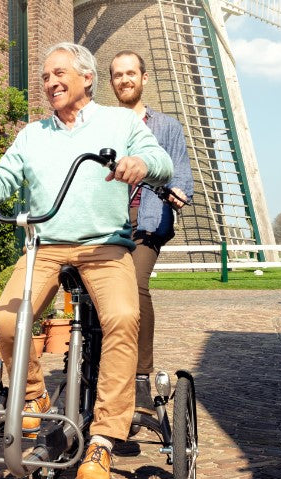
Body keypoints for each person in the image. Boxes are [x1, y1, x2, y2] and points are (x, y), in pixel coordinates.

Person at [0, 42, 173, 479]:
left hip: (105, 247)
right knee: (6, 319)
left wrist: (140, 164)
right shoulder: (33, 134)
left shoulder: (120, 122)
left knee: (122, 319)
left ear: (87, 77)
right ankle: (33, 395)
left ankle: (101, 441)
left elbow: (162, 162)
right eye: (45, 77)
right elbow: (4, 179)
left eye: (60, 73)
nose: (51, 82)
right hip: (45, 246)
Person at [109, 51, 194, 414]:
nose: (125, 79)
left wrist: (181, 192)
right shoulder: (104, 123)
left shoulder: (168, 127)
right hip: (108, 219)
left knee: (135, 284)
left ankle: (141, 376)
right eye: (117, 75)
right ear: (110, 82)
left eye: (131, 73)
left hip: (147, 218)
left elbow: (180, 172)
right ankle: (105, 371)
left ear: (144, 78)